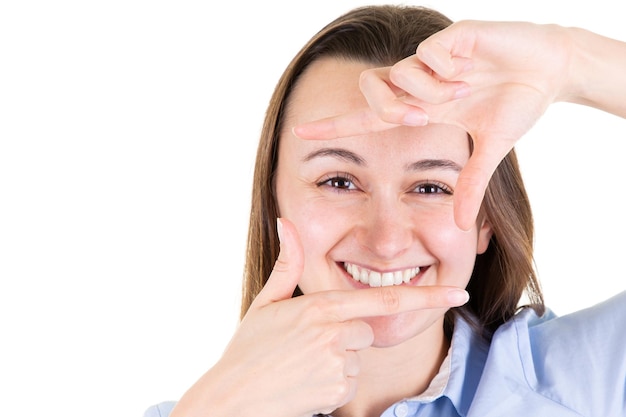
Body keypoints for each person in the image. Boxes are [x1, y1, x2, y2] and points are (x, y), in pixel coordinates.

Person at [145, 4, 626, 417]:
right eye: (338, 181)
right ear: (274, 203)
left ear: (486, 221)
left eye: (432, 187)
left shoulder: (588, 382)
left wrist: (573, 62)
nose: (386, 239)